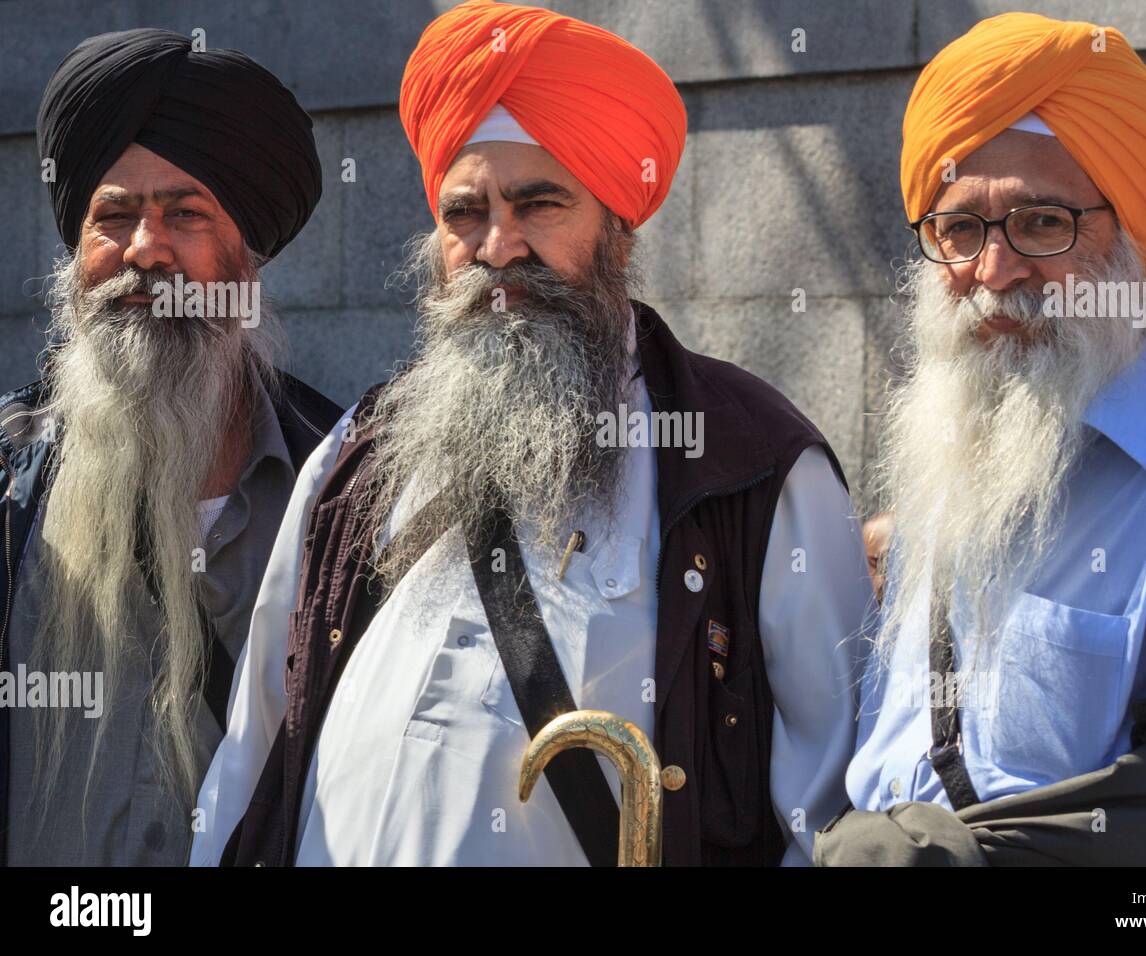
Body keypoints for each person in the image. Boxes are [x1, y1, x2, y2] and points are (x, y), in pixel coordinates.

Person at [191, 0, 870, 868]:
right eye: (464, 214)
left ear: (617, 230)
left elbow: (828, 810)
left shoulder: (752, 465)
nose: (498, 246)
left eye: (539, 204)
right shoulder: (357, 453)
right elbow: (254, 747)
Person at [838, 11, 1146, 866]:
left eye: (1042, 224)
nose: (994, 271)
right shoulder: (947, 464)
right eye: (960, 230)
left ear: (1134, 243)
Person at [0, 28, 340, 865]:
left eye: (184, 215)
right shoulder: (9, 480)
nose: (144, 250)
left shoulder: (344, 490)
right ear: (77, 258)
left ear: (244, 258)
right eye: (112, 217)